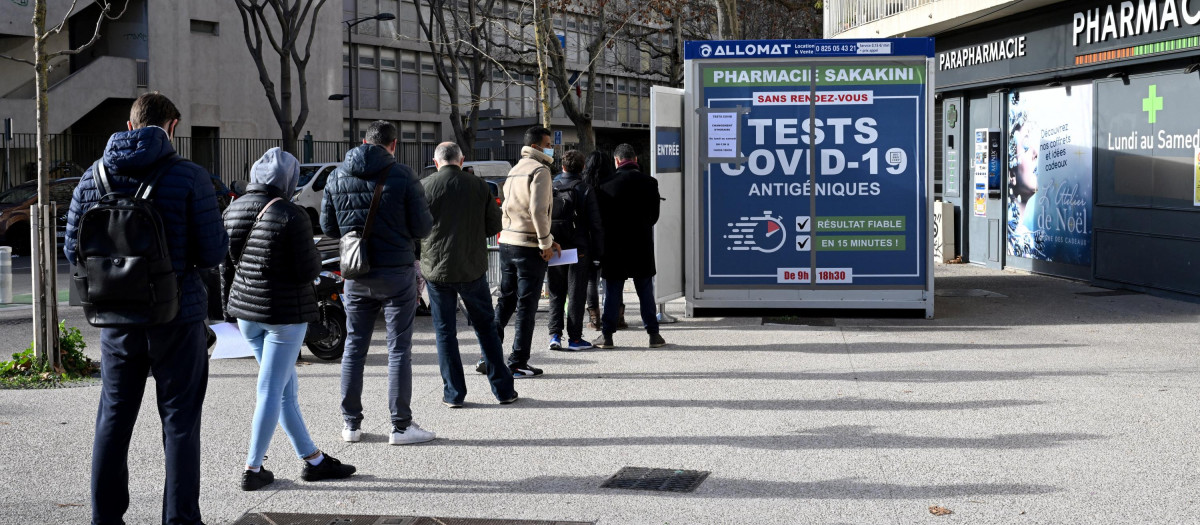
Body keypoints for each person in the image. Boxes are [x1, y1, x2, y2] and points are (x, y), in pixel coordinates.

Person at [65, 92, 229, 525]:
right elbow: (212, 253)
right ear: (171, 126)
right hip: (177, 315)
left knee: (114, 418)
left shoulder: (92, 177)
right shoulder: (190, 176)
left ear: (130, 124)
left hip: (116, 319)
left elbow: (72, 249)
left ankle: (106, 518)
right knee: (179, 422)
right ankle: (179, 519)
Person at [223, 148, 357, 491]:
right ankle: (253, 468)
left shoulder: (233, 208)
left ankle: (313, 460)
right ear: (289, 180)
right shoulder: (292, 214)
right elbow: (308, 270)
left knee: (284, 389)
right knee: (272, 390)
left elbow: (226, 264)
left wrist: (228, 308)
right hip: (283, 315)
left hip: (246, 313)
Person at [321, 120, 435, 445]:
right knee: (398, 350)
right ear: (394, 144)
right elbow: (423, 227)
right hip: (396, 272)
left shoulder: (337, 175)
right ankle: (400, 426)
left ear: (363, 141)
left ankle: (351, 425)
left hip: (356, 272)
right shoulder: (403, 176)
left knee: (354, 347)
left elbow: (329, 227)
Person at [420, 142, 518, 407]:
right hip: (472, 266)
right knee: (486, 328)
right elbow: (494, 225)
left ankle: (454, 394)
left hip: (437, 268)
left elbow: (415, 228)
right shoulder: (479, 186)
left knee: (445, 332)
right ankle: (503, 390)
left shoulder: (424, 186)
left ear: (436, 162)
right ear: (461, 160)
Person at [488, 126, 561, 378]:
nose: (551, 149)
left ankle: (488, 355)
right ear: (537, 146)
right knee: (526, 307)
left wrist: (549, 240)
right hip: (529, 245)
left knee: (505, 302)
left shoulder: (515, 169)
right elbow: (538, 211)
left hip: (507, 241)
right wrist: (546, 243)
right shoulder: (540, 170)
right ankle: (518, 361)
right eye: (549, 144)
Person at [593, 144, 666, 349]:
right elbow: (654, 217)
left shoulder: (605, 184)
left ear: (617, 161)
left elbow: (601, 219)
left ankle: (607, 335)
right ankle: (653, 334)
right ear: (635, 159)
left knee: (612, 291)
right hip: (641, 245)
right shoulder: (650, 182)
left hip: (614, 246)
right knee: (645, 290)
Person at [546, 150, 604, 351]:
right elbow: (595, 224)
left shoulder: (552, 186)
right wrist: (597, 254)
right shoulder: (585, 189)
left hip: (554, 246)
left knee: (556, 293)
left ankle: (554, 335)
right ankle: (575, 339)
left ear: (562, 166)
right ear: (583, 167)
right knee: (576, 293)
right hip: (578, 248)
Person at [579, 150, 621, 331]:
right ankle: (618, 315)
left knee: (591, 279)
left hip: (590, 238)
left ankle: (594, 318)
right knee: (613, 278)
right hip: (612, 236)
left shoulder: (585, 187)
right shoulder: (613, 185)